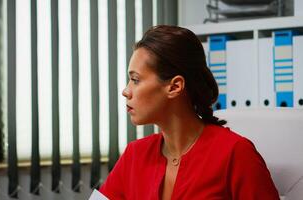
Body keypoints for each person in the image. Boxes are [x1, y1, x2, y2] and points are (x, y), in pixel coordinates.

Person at [99, 25, 279, 200]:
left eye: (135, 80)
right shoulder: (134, 155)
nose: (126, 91)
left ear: (175, 86)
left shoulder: (236, 153)